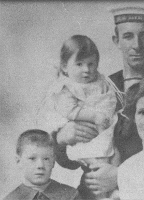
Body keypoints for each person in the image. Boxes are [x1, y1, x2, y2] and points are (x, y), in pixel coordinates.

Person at [50, 6, 144, 198]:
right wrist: (61, 138)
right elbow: (69, 161)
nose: (136, 45)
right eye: (128, 36)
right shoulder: (99, 87)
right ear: (116, 40)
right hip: (90, 193)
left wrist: (121, 176)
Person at [37, 35, 119, 199]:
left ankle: (113, 191)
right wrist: (60, 137)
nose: (87, 70)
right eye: (79, 64)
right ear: (65, 67)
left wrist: (120, 175)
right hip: (84, 142)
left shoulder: (106, 83)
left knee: (114, 155)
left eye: (91, 64)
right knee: (98, 164)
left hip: (105, 138)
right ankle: (107, 195)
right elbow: (70, 111)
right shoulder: (66, 88)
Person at [3, 129, 82, 200]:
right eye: (32, 159)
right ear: (18, 161)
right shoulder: (11, 198)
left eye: (46, 159)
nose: (40, 166)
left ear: (53, 162)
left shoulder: (71, 196)